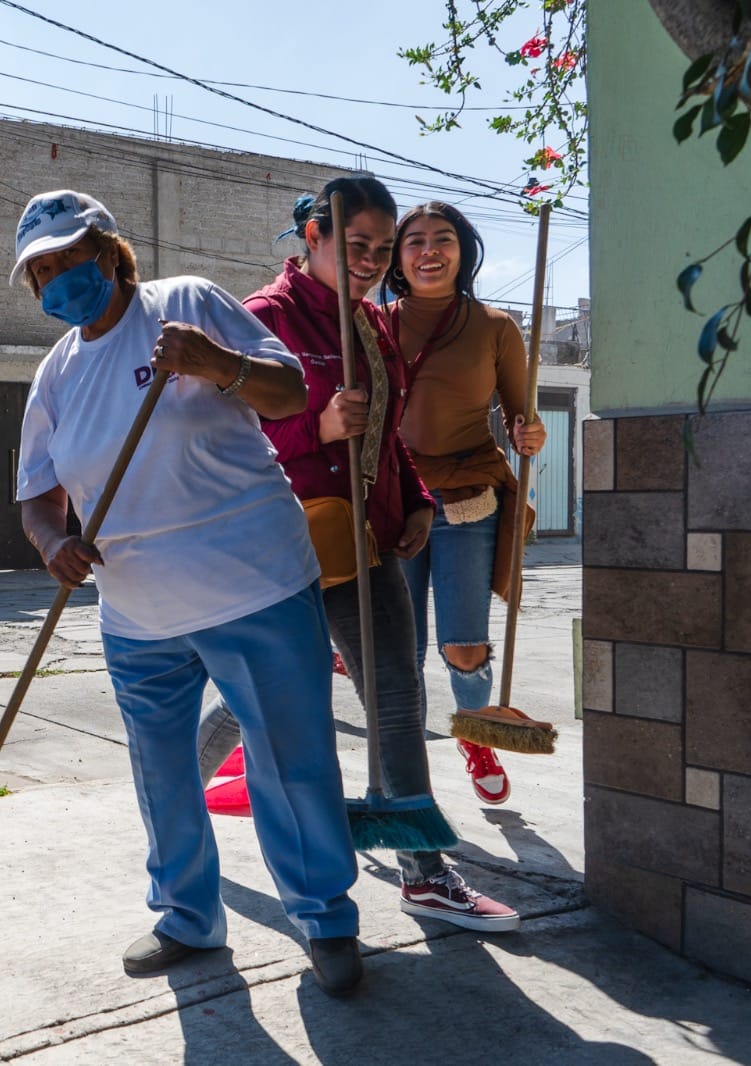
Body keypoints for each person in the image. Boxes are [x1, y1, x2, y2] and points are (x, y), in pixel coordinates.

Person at [11, 189, 363, 994]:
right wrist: (52, 542)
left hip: (255, 585)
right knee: (161, 771)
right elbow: (37, 491)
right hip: (135, 612)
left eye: (70, 258)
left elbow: (290, 394)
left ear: (109, 251)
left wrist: (220, 364)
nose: (59, 278)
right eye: (43, 271)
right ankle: (187, 919)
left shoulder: (187, 305)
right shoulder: (55, 373)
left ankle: (325, 918)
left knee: (290, 761)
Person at [196, 177, 520, 932]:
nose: (373, 261)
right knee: (261, 696)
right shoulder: (260, 320)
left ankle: (422, 871)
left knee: (398, 697)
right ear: (312, 237)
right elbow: (222, 442)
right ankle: (174, 793)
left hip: (368, 541)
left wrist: (413, 502)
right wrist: (315, 430)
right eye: (358, 246)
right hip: (282, 549)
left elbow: (389, 432)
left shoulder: (372, 326)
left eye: (382, 249)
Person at [385, 201, 547, 805]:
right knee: (400, 653)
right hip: (395, 503)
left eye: (443, 238)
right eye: (415, 240)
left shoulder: (495, 326)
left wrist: (531, 431)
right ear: (398, 258)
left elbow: (518, 412)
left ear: (463, 250)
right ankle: (406, 777)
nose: (429, 250)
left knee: (465, 645)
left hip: (468, 497)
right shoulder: (371, 325)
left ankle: (474, 735)